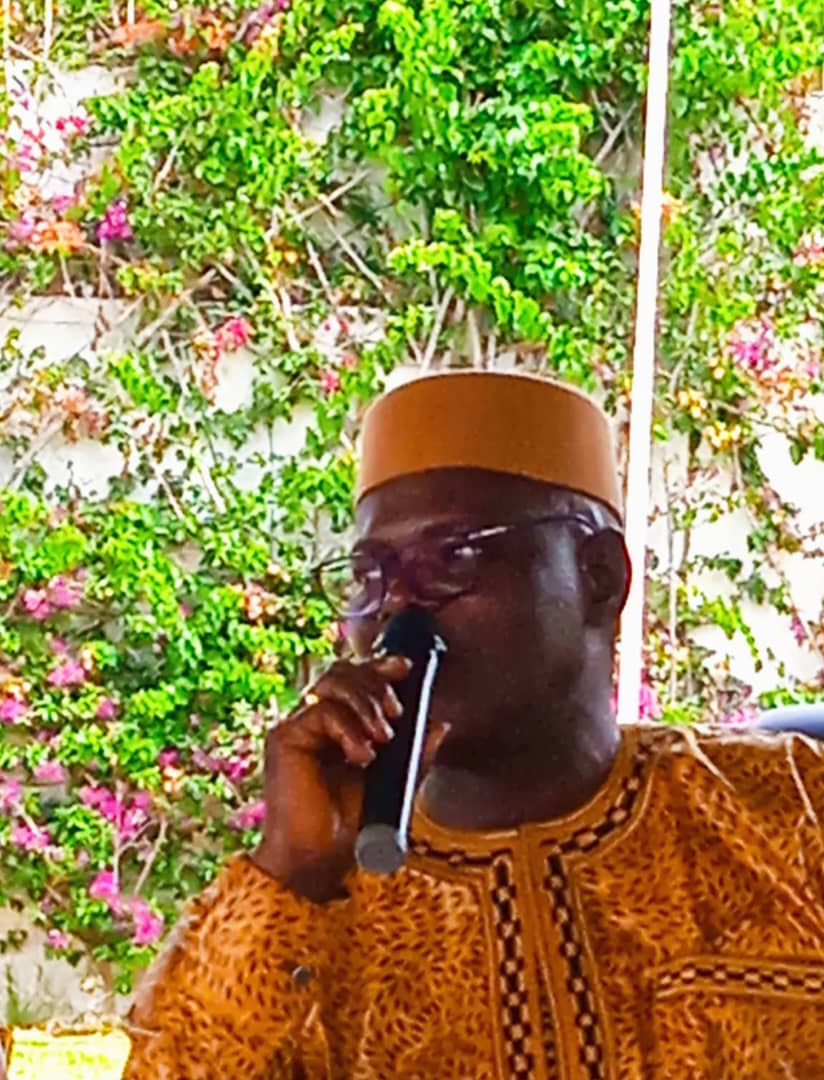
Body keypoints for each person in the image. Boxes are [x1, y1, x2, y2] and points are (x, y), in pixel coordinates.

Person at [123, 372, 824, 1079]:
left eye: (455, 557)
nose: (397, 606)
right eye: (370, 573)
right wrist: (291, 877)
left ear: (600, 576)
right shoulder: (312, 911)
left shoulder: (790, 809)